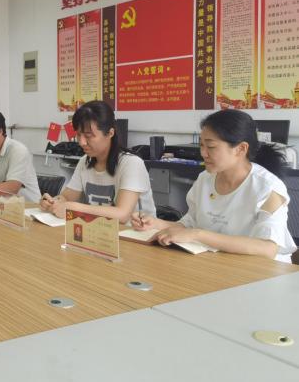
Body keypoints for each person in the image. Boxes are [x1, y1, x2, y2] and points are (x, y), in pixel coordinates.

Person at [132, 109, 297, 262]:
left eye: (211, 147)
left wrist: (198, 235)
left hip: (262, 272)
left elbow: (267, 248)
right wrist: (156, 224)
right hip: (218, 264)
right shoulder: (205, 179)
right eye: (201, 145)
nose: (203, 153)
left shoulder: (269, 188)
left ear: (241, 149)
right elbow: (189, 225)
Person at [40, 100, 155, 223]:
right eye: (78, 135)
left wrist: (75, 208)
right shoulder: (85, 162)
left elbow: (122, 215)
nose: (81, 142)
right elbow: (67, 198)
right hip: (99, 232)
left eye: (88, 135)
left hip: (134, 233)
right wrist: (53, 201)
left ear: (110, 133)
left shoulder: (132, 164)